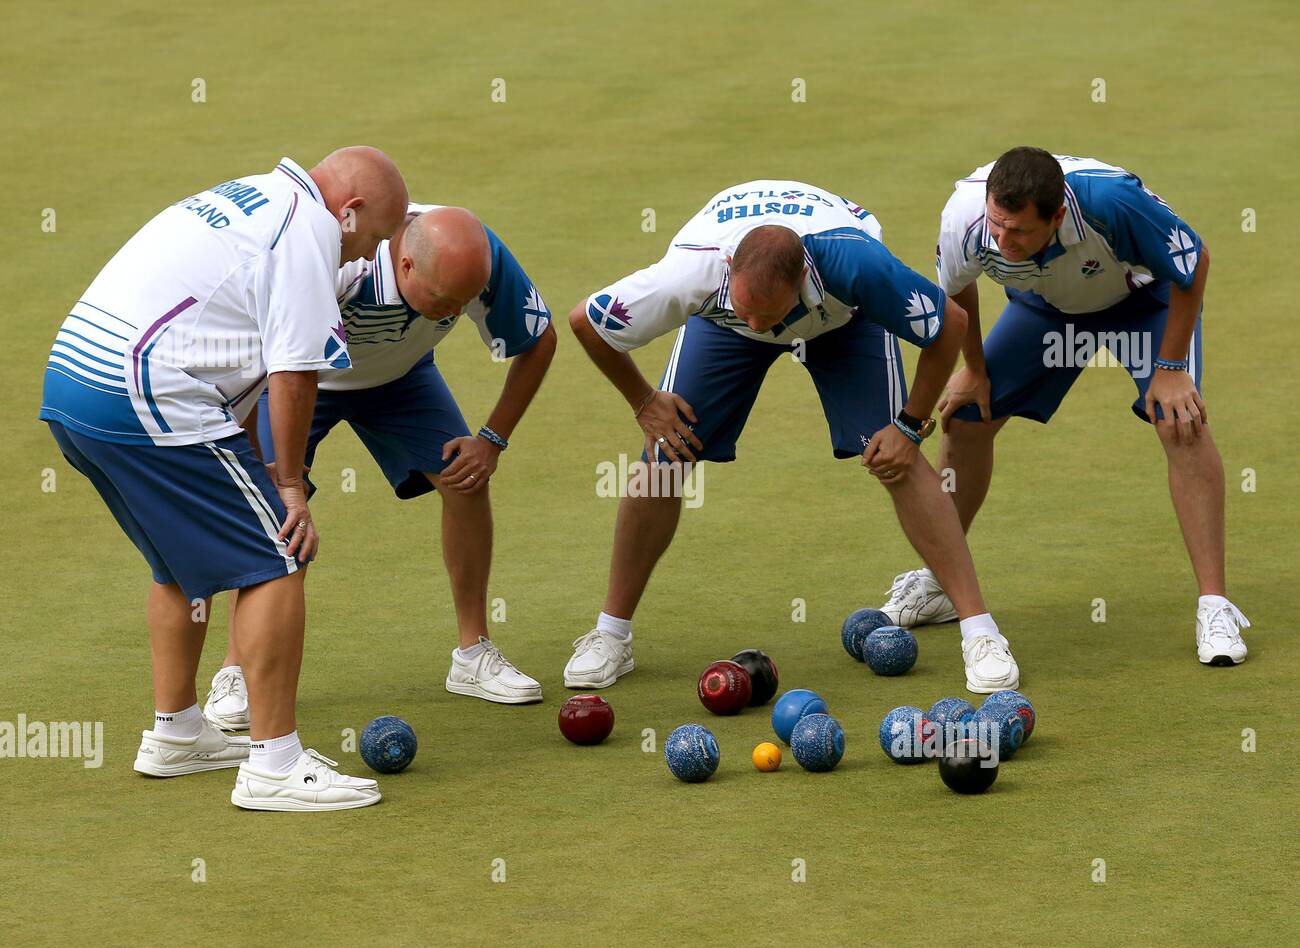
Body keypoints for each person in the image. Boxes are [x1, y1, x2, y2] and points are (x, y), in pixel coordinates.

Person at [39, 148, 409, 811]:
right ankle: (274, 764)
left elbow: (226, 341)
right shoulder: (307, 231)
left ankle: (178, 733)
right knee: (279, 552)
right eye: (374, 239)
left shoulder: (256, 196)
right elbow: (295, 370)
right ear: (349, 214)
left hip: (73, 384)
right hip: (142, 393)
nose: (365, 256)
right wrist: (289, 487)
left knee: (177, 562)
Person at [563, 179, 1021, 696]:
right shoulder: (689, 275)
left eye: (770, 314)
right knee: (662, 461)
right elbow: (586, 321)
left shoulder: (856, 266)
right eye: (748, 308)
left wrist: (909, 425)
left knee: (899, 460)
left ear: (803, 275)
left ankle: (980, 634)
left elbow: (950, 324)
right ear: (729, 271)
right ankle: (610, 636)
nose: (760, 324)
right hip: (722, 331)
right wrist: (645, 402)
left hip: (841, 321)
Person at [883, 147, 1249, 665]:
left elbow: (1194, 261)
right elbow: (957, 290)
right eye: (997, 227)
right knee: (966, 418)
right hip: (1049, 310)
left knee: (1179, 421)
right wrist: (976, 368)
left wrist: (1169, 371)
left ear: (1056, 216)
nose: (1002, 243)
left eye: (1019, 233)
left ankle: (1216, 607)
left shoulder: (1112, 203)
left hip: (1145, 302)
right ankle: (942, 583)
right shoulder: (964, 217)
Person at [203, 203, 555, 727]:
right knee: (273, 511)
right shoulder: (339, 264)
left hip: (403, 378)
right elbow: (260, 357)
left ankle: (473, 653)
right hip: (302, 380)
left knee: (465, 482)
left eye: (458, 307)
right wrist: (270, 465)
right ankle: (236, 671)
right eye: (439, 300)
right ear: (406, 267)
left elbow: (539, 341)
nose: (448, 313)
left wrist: (492, 440)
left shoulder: (479, 258)